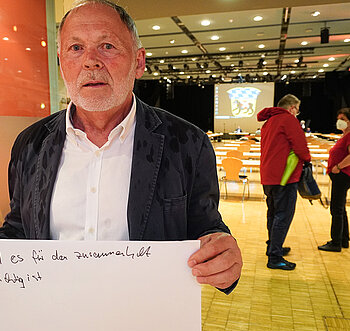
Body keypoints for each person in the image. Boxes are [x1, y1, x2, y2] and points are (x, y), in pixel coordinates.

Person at [0, 0, 242, 299]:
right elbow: (19, 230)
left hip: (146, 330)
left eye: (107, 46)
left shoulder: (187, 143)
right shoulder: (31, 143)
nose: (90, 61)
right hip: (53, 327)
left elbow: (206, 228)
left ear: (139, 62)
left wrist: (222, 256)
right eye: (76, 48)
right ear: (61, 63)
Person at [257, 94, 311, 270]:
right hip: (284, 177)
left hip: (268, 176)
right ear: (292, 108)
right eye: (297, 109)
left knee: (273, 213)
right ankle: (275, 257)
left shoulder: (268, 122)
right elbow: (301, 147)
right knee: (283, 215)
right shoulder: (288, 120)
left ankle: (273, 246)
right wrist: (307, 159)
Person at [318, 108, 350, 252]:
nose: (339, 121)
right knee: (340, 208)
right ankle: (343, 239)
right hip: (340, 175)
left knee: (336, 209)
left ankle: (335, 242)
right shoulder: (345, 136)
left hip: (342, 175)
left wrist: (338, 166)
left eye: (343, 119)